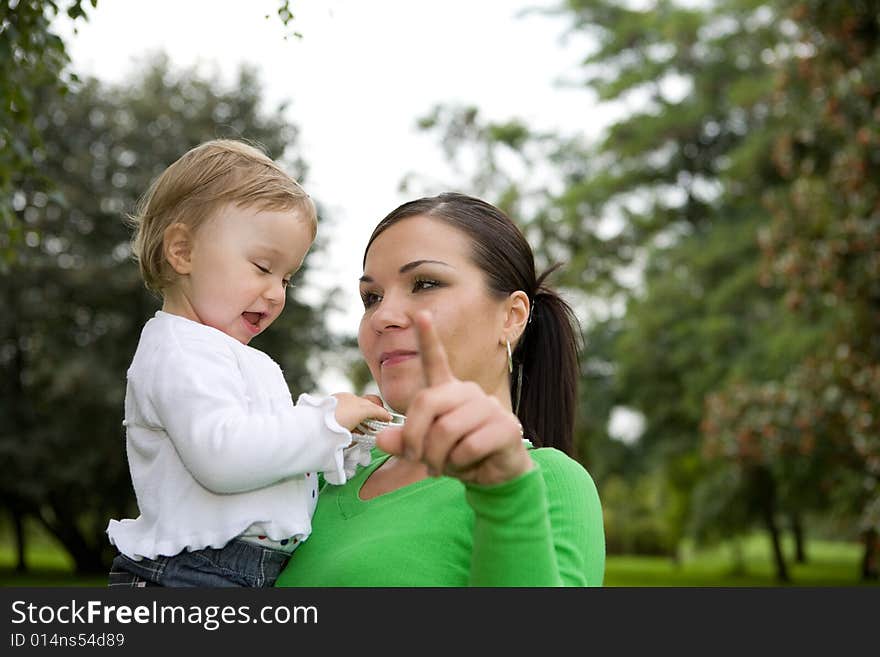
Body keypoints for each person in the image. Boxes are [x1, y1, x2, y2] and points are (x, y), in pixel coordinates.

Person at [274, 192, 605, 586]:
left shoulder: (549, 481)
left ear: (512, 316)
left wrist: (504, 497)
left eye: (425, 283)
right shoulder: (330, 474)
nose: (383, 317)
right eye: (371, 297)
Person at [106, 139, 390, 587]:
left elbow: (268, 463)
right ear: (183, 252)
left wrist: (346, 438)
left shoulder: (233, 357)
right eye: (262, 267)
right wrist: (323, 423)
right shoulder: (180, 350)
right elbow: (224, 457)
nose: (277, 292)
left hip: (236, 572)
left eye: (287, 277)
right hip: (191, 573)